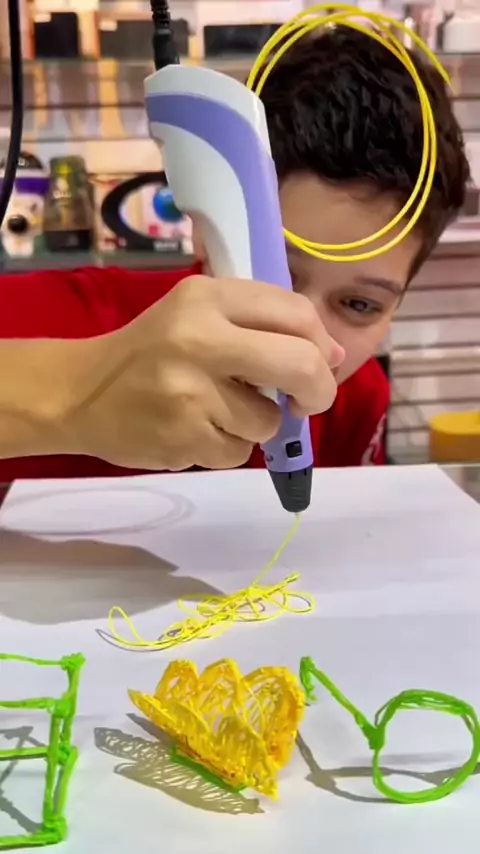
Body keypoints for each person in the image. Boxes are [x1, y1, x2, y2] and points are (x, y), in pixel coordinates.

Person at [0, 27, 469, 483]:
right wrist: (75, 394)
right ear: (203, 230)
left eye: (359, 304)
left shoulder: (359, 397)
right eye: (275, 273)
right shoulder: (74, 317)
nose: (306, 341)